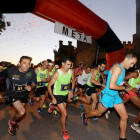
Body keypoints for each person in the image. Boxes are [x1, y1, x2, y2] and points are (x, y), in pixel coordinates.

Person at [81, 53, 137, 140]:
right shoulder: (117, 68)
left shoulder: (123, 69)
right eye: (132, 63)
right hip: (107, 96)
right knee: (99, 113)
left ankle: (122, 138)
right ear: (126, 59)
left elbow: (119, 82)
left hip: (115, 96)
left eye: (134, 64)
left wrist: (121, 89)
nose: (132, 66)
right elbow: (111, 85)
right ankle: (85, 115)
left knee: (125, 116)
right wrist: (124, 88)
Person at [0, 56, 37, 135]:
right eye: (24, 63)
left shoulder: (31, 72)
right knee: (22, 112)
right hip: (13, 94)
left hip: (24, 95)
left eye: (28, 64)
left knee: (19, 112)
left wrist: (31, 87)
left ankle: (14, 120)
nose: (27, 65)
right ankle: (12, 122)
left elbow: (34, 84)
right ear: (19, 63)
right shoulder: (11, 70)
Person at [47, 56, 75, 140]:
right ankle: (64, 130)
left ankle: (53, 107)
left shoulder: (71, 71)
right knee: (64, 114)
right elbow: (49, 86)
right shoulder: (57, 73)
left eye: (70, 65)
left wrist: (71, 91)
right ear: (62, 64)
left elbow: (73, 81)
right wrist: (52, 97)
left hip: (65, 94)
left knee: (63, 112)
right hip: (57, 94)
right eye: (67, 64)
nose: (69, 66)